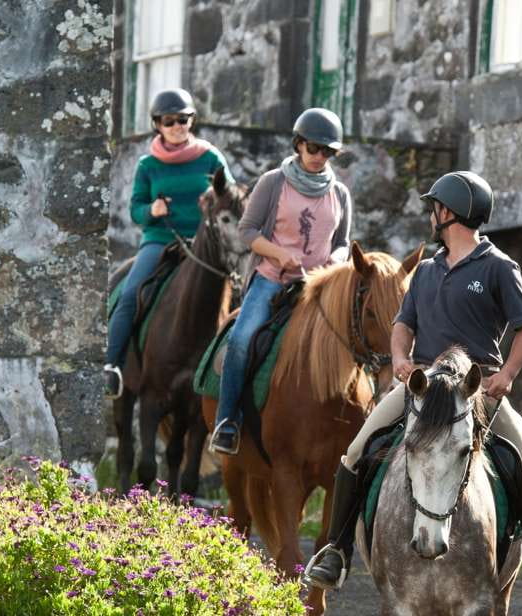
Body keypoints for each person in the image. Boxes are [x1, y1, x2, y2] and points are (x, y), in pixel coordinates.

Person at [303, 172, 522, 609]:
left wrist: (506, 375)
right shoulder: (428, 271)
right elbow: (402, 325)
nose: (432, 214)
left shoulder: (499, 267)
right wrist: (399, 358)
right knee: (357, 451)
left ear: (449, 212)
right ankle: (337, 550)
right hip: (424, 384)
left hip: (478, 384)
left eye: (436, 206)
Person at [208, 108, 353, 455]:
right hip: (273, 279)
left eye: (328, 152)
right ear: (299, 144)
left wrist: (336, 262)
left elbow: (344, 242)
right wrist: (277, 253)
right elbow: (247, 231)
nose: (320, 157)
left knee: (355, 340)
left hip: (318, 287)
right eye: (314, 148)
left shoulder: (341, 194)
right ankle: (227, 421)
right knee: (242, 339)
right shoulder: (274, 182)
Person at [104, 88, 233, 398]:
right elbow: (135, 209)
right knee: (131, 293)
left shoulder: (211, 157)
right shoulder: (148, 166)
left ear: (192, 121)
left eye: (184, 120)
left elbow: (229, 197)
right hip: (160, 241)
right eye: (169, 120)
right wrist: (152, 210)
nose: (177, 126)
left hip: (205, 245)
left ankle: (232, 375)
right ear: (158, 125)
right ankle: (111, 366)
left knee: (240, 292)